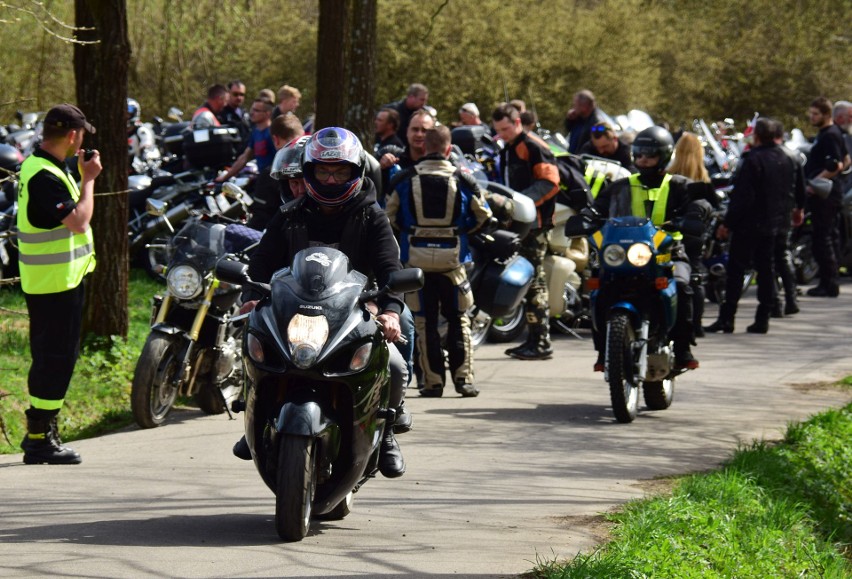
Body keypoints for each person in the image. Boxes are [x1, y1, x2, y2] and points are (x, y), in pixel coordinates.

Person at [237, 127, 408, 478]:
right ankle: (254, 415)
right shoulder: (290, 213)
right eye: (323, 171)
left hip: (360, 310)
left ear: (355, 171)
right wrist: (251, 297)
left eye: (340, 171)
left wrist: (390, 309)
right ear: (309, 172)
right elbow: (261, 263)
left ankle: (387, 432)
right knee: (255, 345)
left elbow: (391, 267)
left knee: (394, 364)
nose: (331, 179)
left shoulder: (371, 215)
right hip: (294, 309)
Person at [16, 104, 101, 464]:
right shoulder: (44, 176)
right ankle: (39, 438)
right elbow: (79, 222)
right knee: (55, 359)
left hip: (58, 281)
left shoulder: (46, 166)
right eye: (82, 134)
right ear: (72, 135)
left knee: (54, 357)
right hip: (54, 284)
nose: (82, 141)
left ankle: (42, 432)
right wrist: (90, 179)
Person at [386, 125, 492, 398]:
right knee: (460, 320)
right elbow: (483, 214)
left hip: (416, 263)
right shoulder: (464, 179)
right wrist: (462, 231)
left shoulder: (405, 179)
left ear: (424, 147)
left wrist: (411, 231)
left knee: (424, 323)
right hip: (453, 262)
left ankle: (432, 382)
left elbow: (390, 215)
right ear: (448, 149)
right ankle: (464, 380)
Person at [593, 126, 703, 369]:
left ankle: (683, 349)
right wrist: (586, 216)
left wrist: (695, 214)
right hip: (626, 254)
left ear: (663, 156)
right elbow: (597, 207)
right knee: (597, 287)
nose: (643, 159)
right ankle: (603, 351)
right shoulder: (621, 186)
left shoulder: (678, 185)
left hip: (668, 253)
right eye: (639, 154)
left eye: (650, 155)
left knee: (683, 287)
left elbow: (700, 202)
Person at [703, 118, 799, 335]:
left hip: (751, 225)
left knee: (736, 272)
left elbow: (742, 197)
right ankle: (763, 318)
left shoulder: (753, 159)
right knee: (766, 271)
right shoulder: (787, 157)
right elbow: (794, 190)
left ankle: (727, 318)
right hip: (776, 224)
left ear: (756, 136)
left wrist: (727, 224)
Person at [492, 103, 560, 360]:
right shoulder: (509, 147)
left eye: (507, 128)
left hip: (535, 224)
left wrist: (521, 204)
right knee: (528, 281)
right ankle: (534, 339)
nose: (503, 134)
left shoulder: (533, 146)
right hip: (520, 224)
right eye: (499, 130)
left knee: (534, 281)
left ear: (518, 122)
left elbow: (550, 182)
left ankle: (541, 341)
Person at [804, 97, 850, 297]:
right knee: (828, 237)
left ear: (826, 115)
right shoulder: (833, 133)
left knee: (824, 238)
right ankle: (829, 281)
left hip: (826, 195)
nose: (812, 117)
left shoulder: (830, 135)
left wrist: (816, 183)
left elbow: (837, 165)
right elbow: (846, 159)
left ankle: (828, 283)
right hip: (831, 192)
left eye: (815, 114)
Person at [771, 120, 807, 317]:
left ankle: (777, 302)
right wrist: (799, 208)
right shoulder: (793, 157)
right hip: (785, 212)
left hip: (769, 215)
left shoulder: (761, 156)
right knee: (783, 256)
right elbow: (801, 188)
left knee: (769, 258)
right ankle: (791, 297)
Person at [378, 108, 435, 204]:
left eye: (424, 131)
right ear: (407, 131)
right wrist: (380, 168)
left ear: (433, 135)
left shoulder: (443, 164)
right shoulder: (392, 158)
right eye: (415, 129)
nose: (419, 134)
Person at [563, 89, 607, 154]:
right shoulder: (578, 117)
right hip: (572, 157)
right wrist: (569, 119)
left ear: (584, 106)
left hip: (584, 160)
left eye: (576, 105)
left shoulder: (597, 121)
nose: (574, 108)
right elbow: (568, 129)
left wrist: (592, 128)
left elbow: (601, 133)